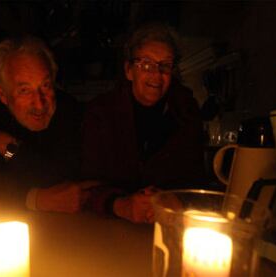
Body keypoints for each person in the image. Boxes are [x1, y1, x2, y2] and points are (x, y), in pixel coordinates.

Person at [81, 22, 205, 223]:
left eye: (165, 65)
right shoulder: (101, 113)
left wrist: (178, 201)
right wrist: (122, 205)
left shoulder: (187, 113)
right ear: (129, 70)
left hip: (169, 226)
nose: (156, 74)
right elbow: (86, 185)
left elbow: (197, 182)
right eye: (146, 64)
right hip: (108, 228)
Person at [0, 36, 91, 214]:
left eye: (45, 86)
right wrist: (36, 200)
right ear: (2, 92)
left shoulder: (68, 110)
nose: (39, 104)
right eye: (25, 90)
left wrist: (4, 145)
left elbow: (60, 178)